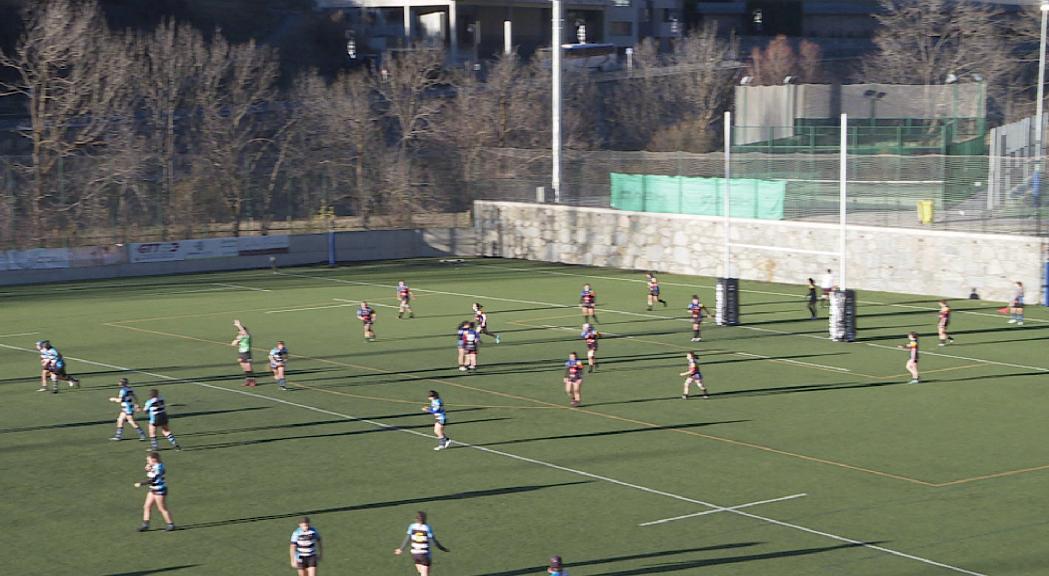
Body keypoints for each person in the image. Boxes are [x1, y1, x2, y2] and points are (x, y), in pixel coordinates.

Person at [394, 511, 449, 576]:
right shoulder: (427, 528)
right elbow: (434, 542)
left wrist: (401, 549)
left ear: (416, 519)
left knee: (421, 572)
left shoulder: (412, 526)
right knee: (424, 574)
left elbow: (407, 539)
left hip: (415, 555)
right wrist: (442, 548)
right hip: (424, 555)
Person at [134, 451, 175, 532]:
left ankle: (170, 525)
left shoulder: (158, 467)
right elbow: (150, 473)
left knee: (161, 508)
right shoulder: (155, 465)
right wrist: (147, 469)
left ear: (154, 459)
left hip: (159, 490)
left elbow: (153, 479)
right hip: (153, 489)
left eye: (148, 460)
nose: (147, 462)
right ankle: (145, 525)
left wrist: (141, 484)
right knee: (146, 506)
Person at [231, 320, 256, 387]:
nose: (240, 333)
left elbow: (244, 333)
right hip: (241, 354)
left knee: (249, 368)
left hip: (247, 353)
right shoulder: (239, 337)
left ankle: (253, 381)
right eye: (239, 332)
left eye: (241, 331)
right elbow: (233, 344)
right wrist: (237, 340)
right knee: (244, 368)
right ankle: (248, 380)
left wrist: (239, 325)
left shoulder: (247, 336)